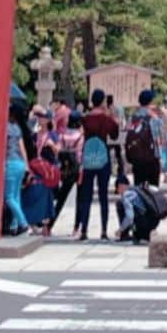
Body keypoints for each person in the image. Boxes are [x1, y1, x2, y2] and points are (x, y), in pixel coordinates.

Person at [75, 89, 119, 241]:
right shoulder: (106, 119)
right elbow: (114, 135)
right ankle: (104, 230)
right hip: (102, 157)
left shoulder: (86, 119)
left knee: (86, 195)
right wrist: (113, 115)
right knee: (103, 195)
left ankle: (84, 230)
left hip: (88, 158)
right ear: (102, 102)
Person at [124, 90, 163, 188]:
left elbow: (128, 135)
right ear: (150, 102)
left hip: (136, 157)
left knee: (138, 187)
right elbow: (157, 137)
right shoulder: (153, 117)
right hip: (151, 158)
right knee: (153, 189)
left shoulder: (132, 117)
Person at [3, 105, 31, 237]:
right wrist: (26, 165)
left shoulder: (5, 128)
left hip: (10, 163)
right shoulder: (17, 128)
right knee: (16, 196)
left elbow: (3, 148)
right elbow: (22, 147)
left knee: (9, 197)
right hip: (20, 163)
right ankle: (14, 225)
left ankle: (24, 224)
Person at [53, 111, 84, 226]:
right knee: (80, 199)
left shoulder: (63, 135)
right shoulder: (80, 136)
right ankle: (76, 228)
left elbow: (57, 150)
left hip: (66, 168)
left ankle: (50, 225)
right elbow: (81, 154)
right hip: (78, 168)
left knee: (61, 198)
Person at [114, 174, 159, 243]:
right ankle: (141, 235)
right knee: (135, 213)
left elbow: (130, 217)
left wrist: (120, 230)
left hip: (144, 222)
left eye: (118, 190)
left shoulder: (126, 195)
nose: (119, 193)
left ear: (120, 186)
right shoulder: (137, 189)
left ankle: (128, 235)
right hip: (153, 221)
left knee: (120, 204)